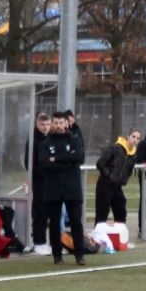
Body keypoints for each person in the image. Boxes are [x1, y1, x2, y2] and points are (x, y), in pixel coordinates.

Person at [39, 111, 87, 265]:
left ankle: (79, 255)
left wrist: (56, 159)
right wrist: (67, 163)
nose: (59, 126)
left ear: (66, 123)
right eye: (56, 123)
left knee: (76, 221)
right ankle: (57, 255)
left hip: (72, 188)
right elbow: (44, 163)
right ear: (52, 124)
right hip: (53, 188)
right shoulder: (45, 144)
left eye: (61, 123)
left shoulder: (74, 139)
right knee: (54, 222)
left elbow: (79, 157)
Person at [94, 128, 141, 227]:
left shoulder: (133, 155)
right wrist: (109, 176)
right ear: (127, 136)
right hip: (105, 184)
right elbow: (100, 163)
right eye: (133, 137)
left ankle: (120, 233)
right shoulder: (116, 148)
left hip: (117, 186)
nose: (135, 140)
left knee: (121, 210)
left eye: (138, 138)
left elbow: (129, 170)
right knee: (102, 214)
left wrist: (124, 179)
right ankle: (98, 234)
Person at [24, 113, 52, 256]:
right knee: (39, 211)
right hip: (39, 181)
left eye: (47, 124)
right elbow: (30, 163)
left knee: (47, 212)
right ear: (37, 124)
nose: (45, 127)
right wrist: (44, 173)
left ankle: (44, 241)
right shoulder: (33, 140)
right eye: (42, 125)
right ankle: (38, 242)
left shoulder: (50, 138)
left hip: (50, 181)